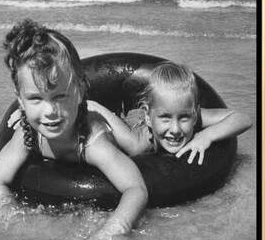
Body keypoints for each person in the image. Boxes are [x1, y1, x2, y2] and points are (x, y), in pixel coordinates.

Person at [0, 19, 149, 240]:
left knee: (137, 147)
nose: (50, 111)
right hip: (79, 111)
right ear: (20, 100)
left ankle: (100, 108)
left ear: (79, 90)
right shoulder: (28, 133)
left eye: (60, 96)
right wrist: (5, 210)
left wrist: (107, 235)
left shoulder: (93, 143)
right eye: (35, 98)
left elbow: (136, 189)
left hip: (98, 122)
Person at [86, 61, 252, 165]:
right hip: (131, 122)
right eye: (166, 118)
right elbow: (95, 107)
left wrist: (206, 136)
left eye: (184, 118)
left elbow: (244, 119)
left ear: (194, 115)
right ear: (149, 118)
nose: (175, 129)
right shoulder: (138, 144)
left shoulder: (195, 116)